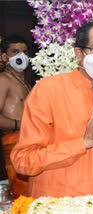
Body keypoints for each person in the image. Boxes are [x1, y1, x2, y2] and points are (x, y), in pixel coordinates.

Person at [10, 20, 93, 198]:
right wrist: (83, 143)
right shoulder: (48, 90)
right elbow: (23, 161)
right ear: (79, 54)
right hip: (51, 206)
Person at [0, 35, 31, 196]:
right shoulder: (3, 79)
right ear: (4, 56)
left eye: (25, 52)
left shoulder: (26, 83)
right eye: (15, 51)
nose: (22, 56)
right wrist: (21, 125)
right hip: (13, 141)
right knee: (22, 193)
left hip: (30, 141)